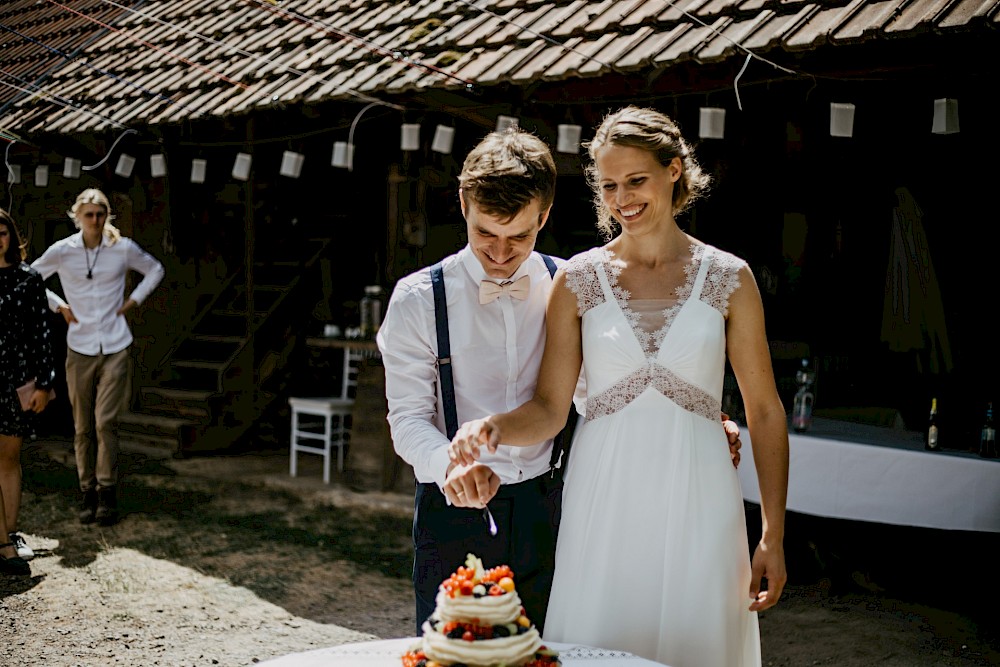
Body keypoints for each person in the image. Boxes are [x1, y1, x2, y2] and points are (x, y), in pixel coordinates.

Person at [448, 106, 789, 666]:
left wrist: (772, 533)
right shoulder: (577, 278)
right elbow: (552, 408)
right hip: (602, 499)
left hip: (701, 498)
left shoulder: (730, 277)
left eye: (636, 180)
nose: (621, 198)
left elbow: (767, 412)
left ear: (674, 170)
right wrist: (493, 427)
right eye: (608, 185)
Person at [376, 126, 743, 636]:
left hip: (550, 510)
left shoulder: (572, 282)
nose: (501, 254)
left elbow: (611, 386)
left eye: (520, 237)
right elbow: (407, 419)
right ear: (463, 204)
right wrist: (448, 466)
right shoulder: (418, 299)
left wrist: (706, 420)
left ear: (544, 215)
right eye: (486, 234)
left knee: (549, 653)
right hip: (452, 513)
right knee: (454, 656)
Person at [32, 188, 165, 527]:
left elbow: (155, 270)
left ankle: (107, 491)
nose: (95, 221)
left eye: (100, 214)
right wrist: (58, 305)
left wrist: (133, 300)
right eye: (89, 215)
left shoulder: (121, 248)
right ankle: (86, 490)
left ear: (107, 216)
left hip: (116, 343)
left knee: (105, 421)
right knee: (82, 426)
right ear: (78, 216)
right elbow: (31, 276)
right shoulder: (64, 250)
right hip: (80, 346)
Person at [0, 209, 56, 576]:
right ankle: (4, 546)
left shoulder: (28, 279)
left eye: (1, 232)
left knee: (8, 459)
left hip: (16, 380)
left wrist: (46, 383)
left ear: (11, 236)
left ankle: (9, 533)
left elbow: (42, 336)